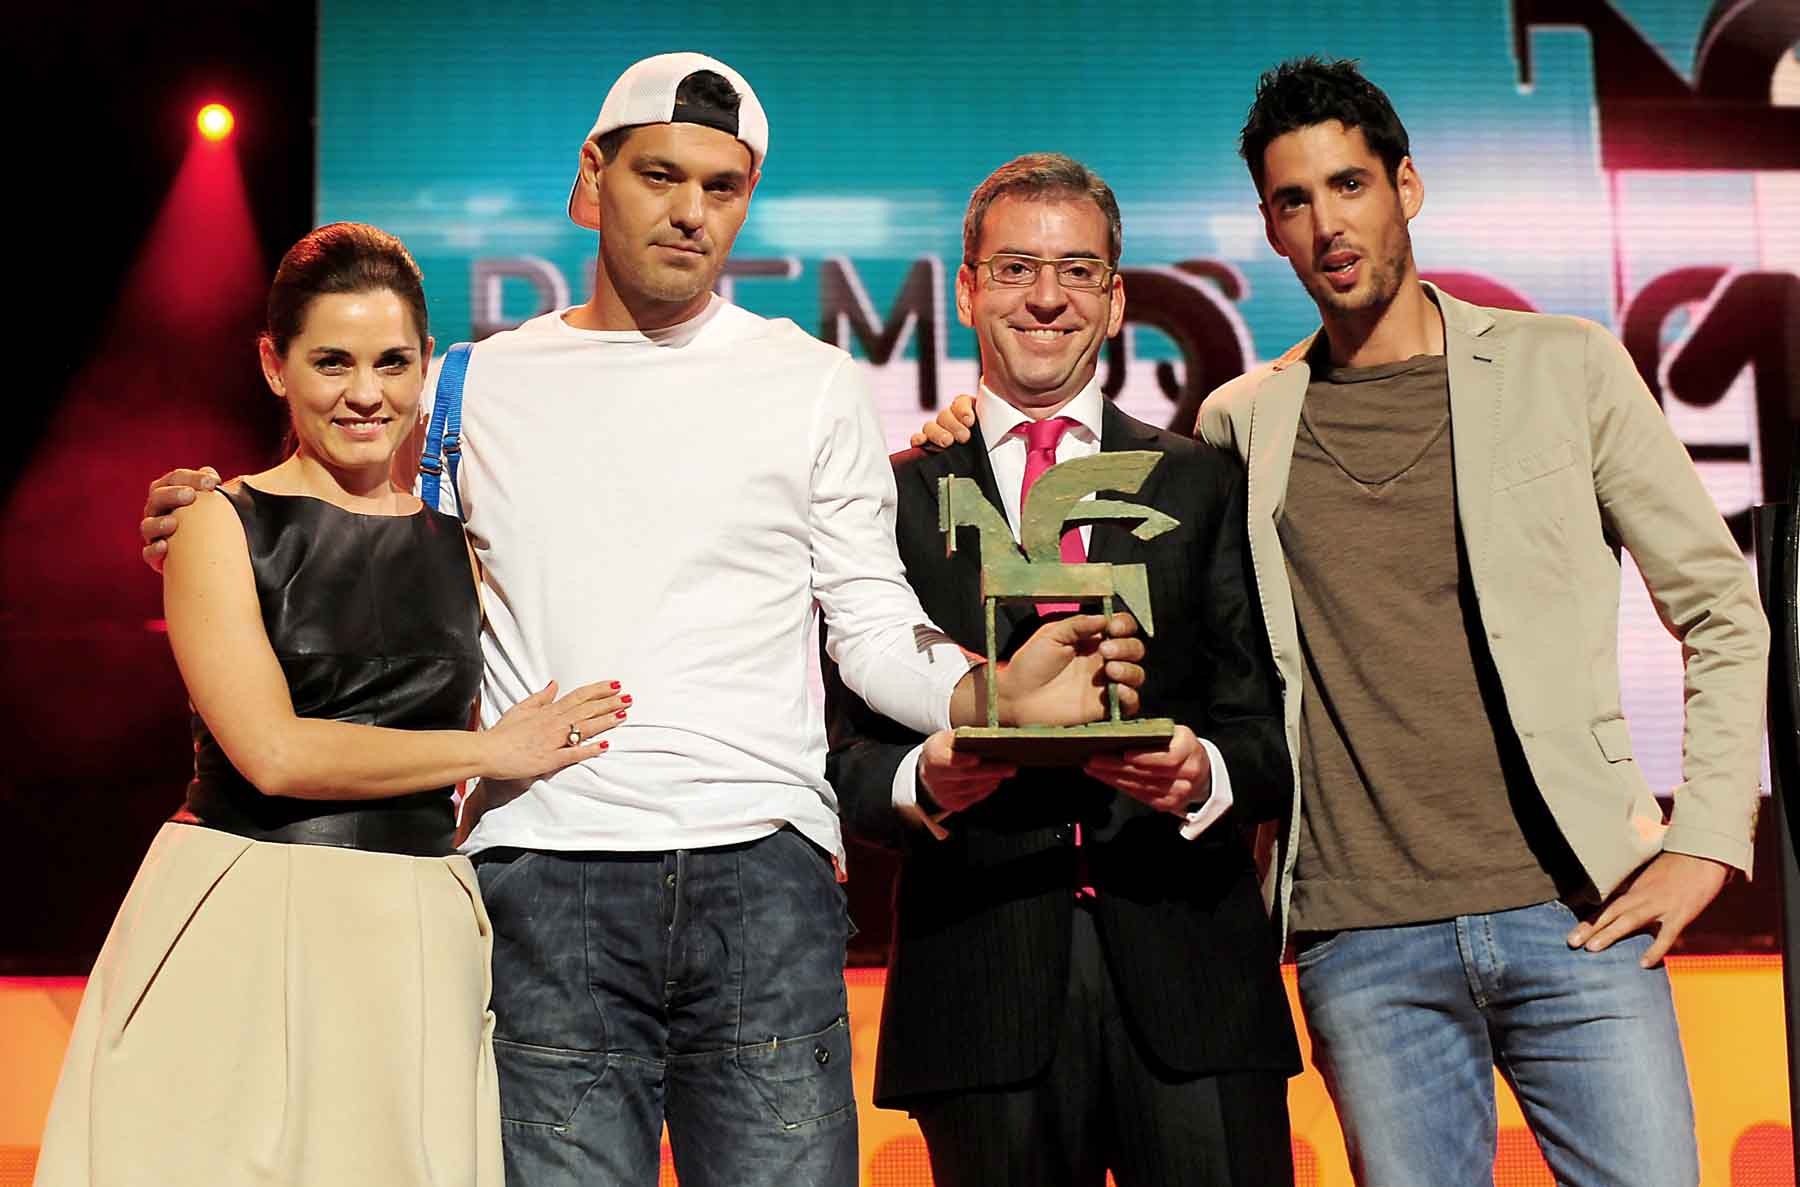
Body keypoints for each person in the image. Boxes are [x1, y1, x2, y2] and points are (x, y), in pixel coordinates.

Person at [138, 56, 1146, 1187]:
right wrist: (222, 510)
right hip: (541, 871)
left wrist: (994, 689)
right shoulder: (475, 383)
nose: (690, 211)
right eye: (662, 174)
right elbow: (361, 526)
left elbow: (868, 619)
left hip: (761, 874)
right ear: (591, 176)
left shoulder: (810, 381)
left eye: (723, 187)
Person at [918, 57, 1771, 1187]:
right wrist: (967, 434)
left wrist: (1706, 834)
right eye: (1293, 200)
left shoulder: (1565, 366)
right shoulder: (1241, 421)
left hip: (1577, 914)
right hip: (1360, 940)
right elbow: (1144, 556)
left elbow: (1719, 604)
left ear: (1406, 186)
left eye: (1350, 184)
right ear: (1269, 226)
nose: (1327, 222)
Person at [38, 223, 629, 1187]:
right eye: (332, 362)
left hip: (414, 922)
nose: (367, 392)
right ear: (274, 366)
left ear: (427, 364)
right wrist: (487, 753)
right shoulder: (218, 524)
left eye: (394, 361)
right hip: (248, 908)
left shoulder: (464, 543)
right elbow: (272, 753)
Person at [830, 153, 1299, 1187]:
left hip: (1193, 979)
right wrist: (923, 780)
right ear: (965, 289)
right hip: (982, 988)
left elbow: (1268, 731)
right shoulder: (890, 496)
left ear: (1117, 299)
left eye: (1078, 271)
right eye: (1014, 271)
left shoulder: (1201, 481)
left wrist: (1204, 774)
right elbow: (838, 757)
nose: (1046, 297)